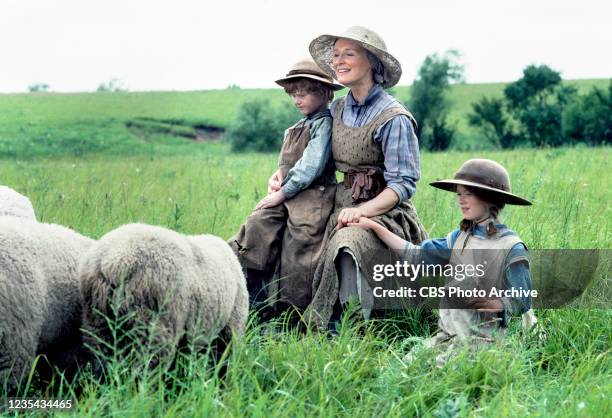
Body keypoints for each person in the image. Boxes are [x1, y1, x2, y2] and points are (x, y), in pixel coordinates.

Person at [348, 159, 537, 363]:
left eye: (468, 194)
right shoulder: (459, 238)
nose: (461, 200)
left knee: (441, 374)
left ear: (490, 198)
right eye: (459, 194)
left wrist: (499, 303)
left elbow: (523, 298)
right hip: (447, 339)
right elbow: (417, 256)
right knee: (403, 363)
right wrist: (375, 227)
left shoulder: (511, 246)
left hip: (484, 347)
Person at [304, 26, 428, 331]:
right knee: (281, 227)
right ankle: (272, 311)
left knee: (349, 242)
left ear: (372, 62)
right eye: (336, 55)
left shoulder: (394, 117)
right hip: (337, 205)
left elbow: (403, 184)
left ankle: (352, 330)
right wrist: (281, 176)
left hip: (384, 213)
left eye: (349, 53)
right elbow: (313, 157)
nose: (339, 61)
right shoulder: (335, 109)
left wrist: (362, 212)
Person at [229, 59, 343, 315]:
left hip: (314, 196)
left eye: (303, 94)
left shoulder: (324, 124)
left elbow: (311, 166)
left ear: (324, 93)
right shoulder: (295, 128)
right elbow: (288, 164)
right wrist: (277, 177)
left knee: (301, 246)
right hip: (287, 193)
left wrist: (281, 192)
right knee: (257, 226)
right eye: (293, 94)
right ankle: (255, 300)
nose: (296, 100)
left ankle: (293, 312)